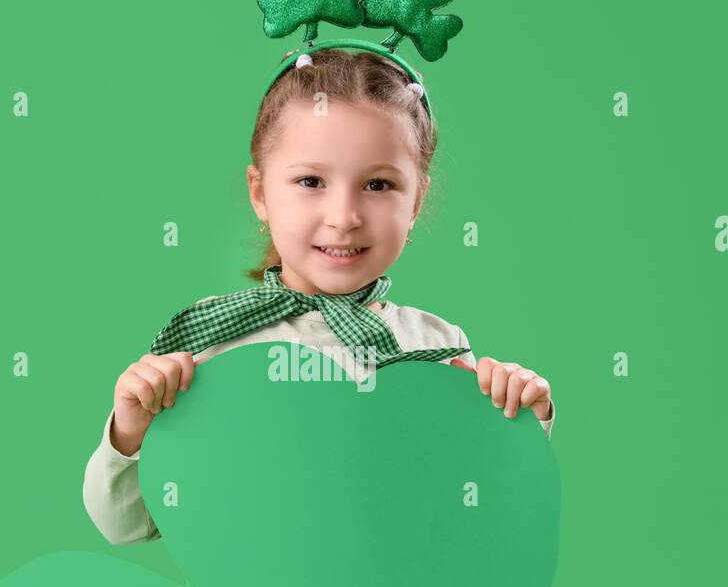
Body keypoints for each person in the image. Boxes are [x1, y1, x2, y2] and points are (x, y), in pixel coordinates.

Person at [83, 46, 556, 546]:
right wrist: (129, 433)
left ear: (415, 201)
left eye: (378, 184)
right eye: (311, 180)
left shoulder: (437, 348)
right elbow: (128, 528)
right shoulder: (210, 341)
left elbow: (486, 520)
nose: (344, 215)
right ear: (261, 193)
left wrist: (519, 424)